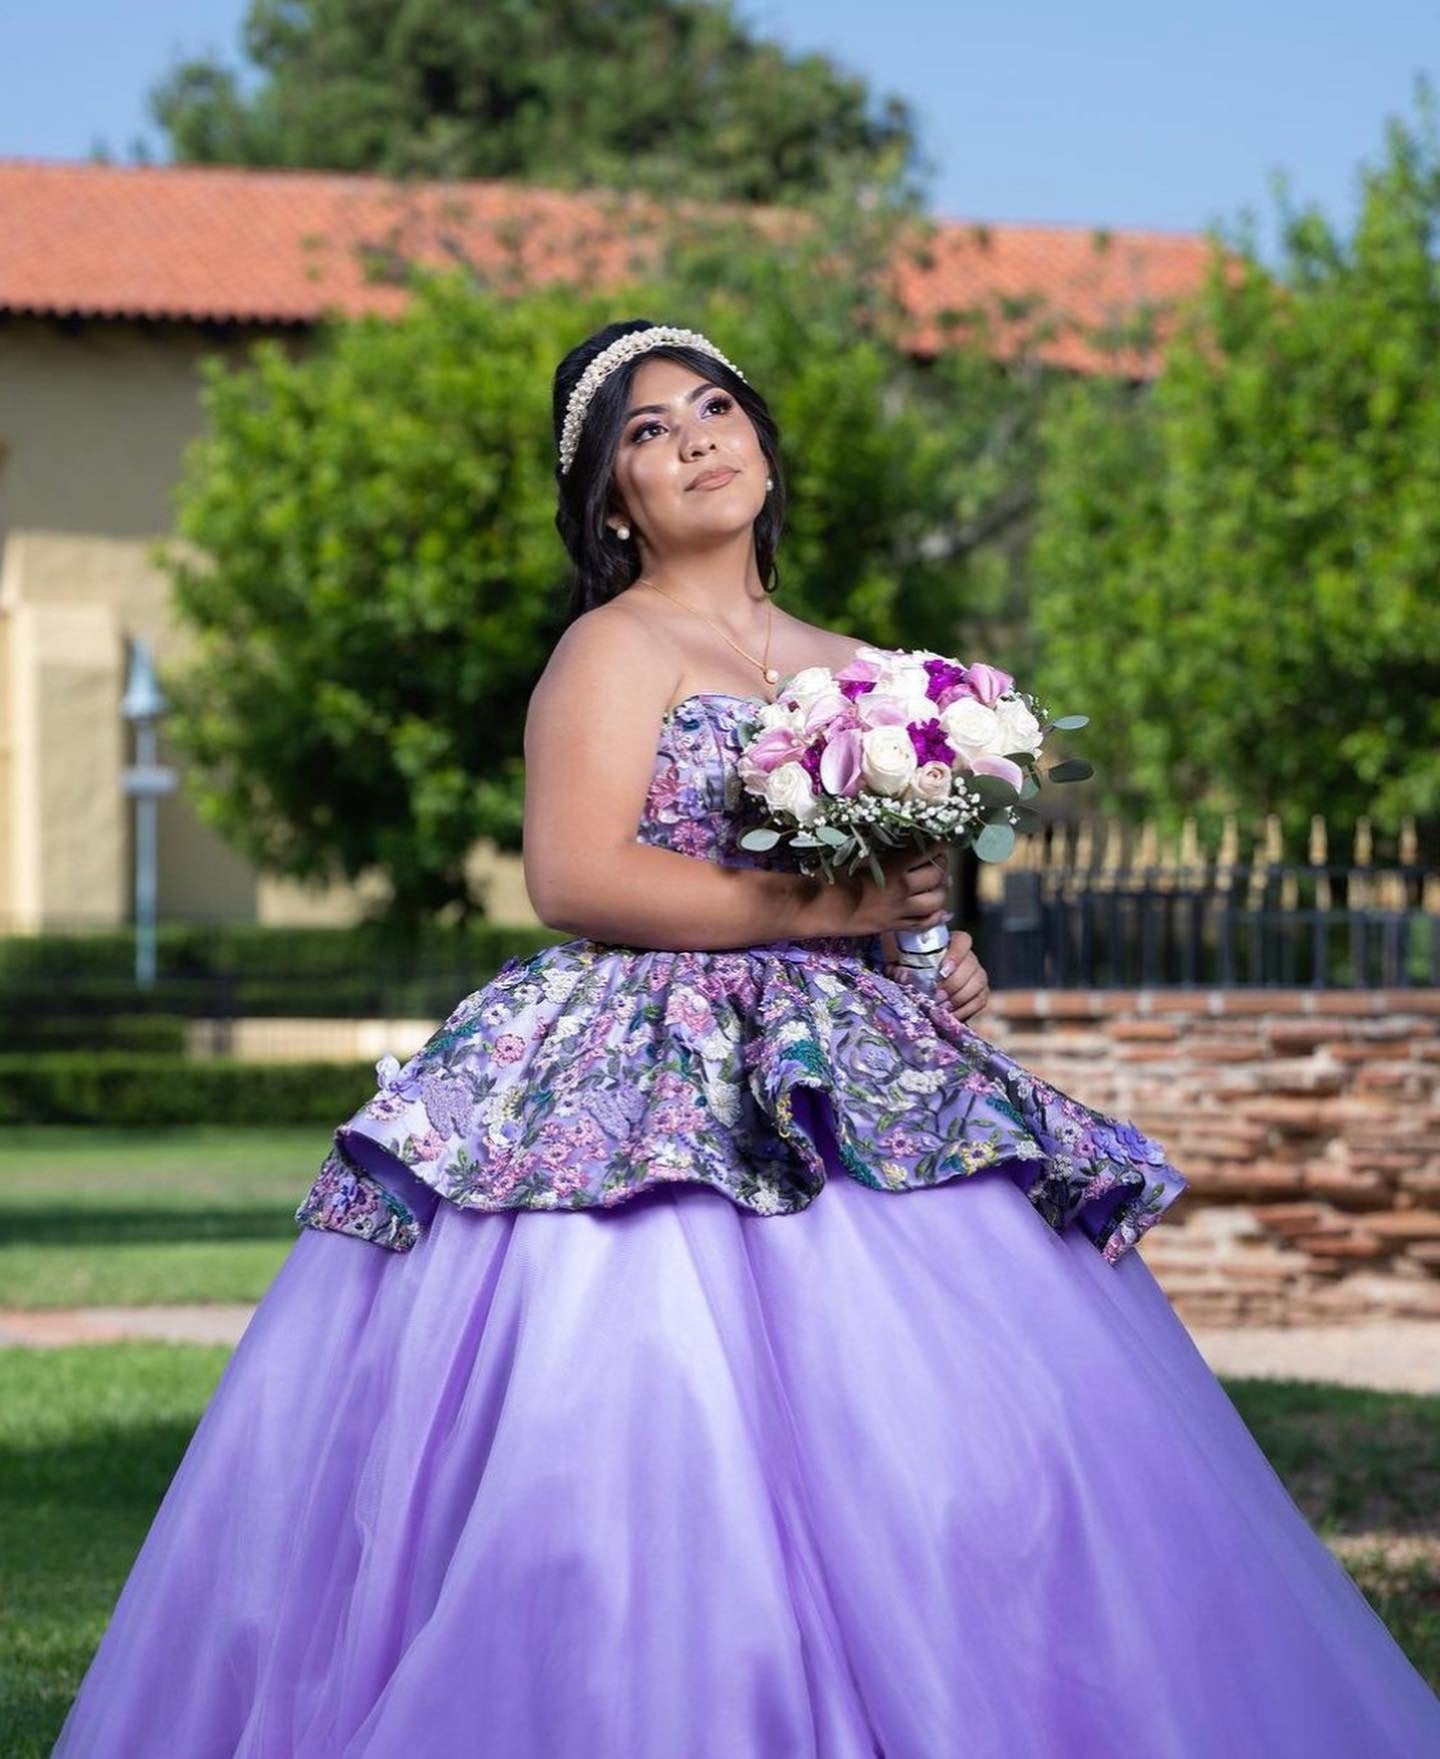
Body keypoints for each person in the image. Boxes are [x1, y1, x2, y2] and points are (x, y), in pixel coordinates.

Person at [52, 321, 1440, 1759]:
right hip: (645, 1062)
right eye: (646, 433)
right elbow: (577, 874)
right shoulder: (614, 647)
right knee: (653, 1424)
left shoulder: (876, 679)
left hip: (852, 1063)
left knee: (990, 1438)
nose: (694, 440)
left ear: (765, 449)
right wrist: (829, 904)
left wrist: (929, 941)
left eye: (714, 408)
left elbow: (898, 881)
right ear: (612, 503)